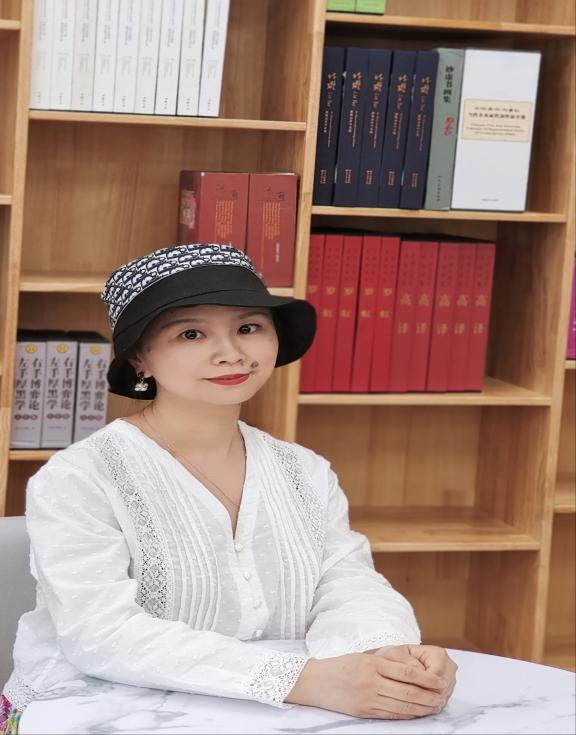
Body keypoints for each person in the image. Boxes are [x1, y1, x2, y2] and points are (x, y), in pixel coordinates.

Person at [1, 244, 457, 733]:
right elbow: (101, 633)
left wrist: (389, 655)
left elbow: (347, 581)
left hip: (262, 715)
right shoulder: (79, 478)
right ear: (139, 359)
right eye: (191, 333)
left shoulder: (304, 471)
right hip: (85, 713)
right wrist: (302, 680)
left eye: (248, 328)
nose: (232, 353)